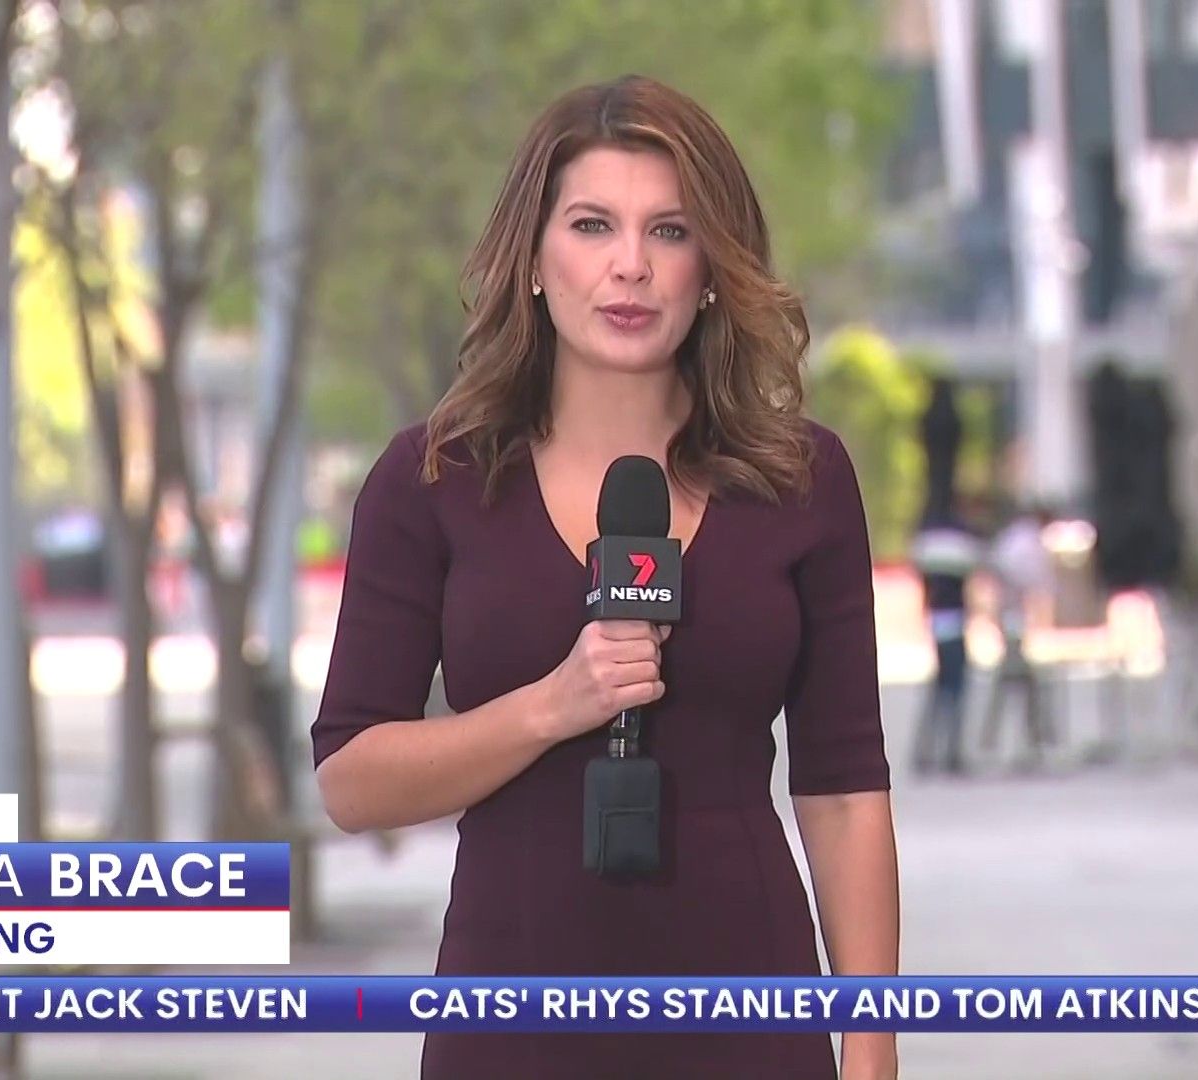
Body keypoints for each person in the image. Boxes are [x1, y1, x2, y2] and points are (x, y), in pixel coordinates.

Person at [311, 76, 900, 1079]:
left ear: (711, 268)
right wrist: (550, 706)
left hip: (749, 1011)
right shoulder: (433, 480)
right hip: (513, 1016)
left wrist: (873, 1048)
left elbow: (844, 793)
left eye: (670, 231)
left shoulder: (801, 478)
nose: (631, 265)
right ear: (535, 259)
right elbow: (352, 780)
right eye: (593, 226)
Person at [980, 505, 1055, 768]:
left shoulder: (1013, 538)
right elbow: (1036, 581)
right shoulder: (1028, 543)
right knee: (1016, 682)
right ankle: (1027, 740)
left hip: (1010, 618)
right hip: (1013, 620)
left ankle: (1004, 741)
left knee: (1013, 682)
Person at [909, 508, 981, 775]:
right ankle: (950, 752)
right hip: (954, 621)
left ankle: (926, 751)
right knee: (954, 689)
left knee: (939, 689)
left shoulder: (929, 554)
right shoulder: (958, 551)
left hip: (936, 620)